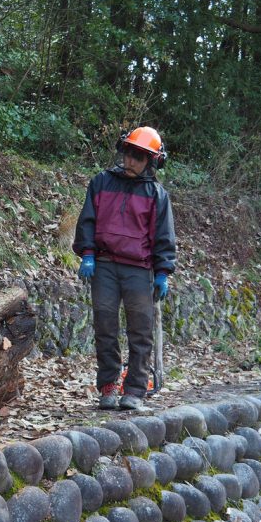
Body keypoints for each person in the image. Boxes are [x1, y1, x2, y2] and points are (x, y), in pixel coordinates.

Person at [72, 126, 176, 410]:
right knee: (105, 328)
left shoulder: (156, 195)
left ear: (151, 161)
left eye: (139, 157)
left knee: (140, 333)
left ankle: (135, 391)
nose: (131, 161)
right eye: (129, 154)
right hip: (104, 265)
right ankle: (107, 386)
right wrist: (88, 254)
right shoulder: (101, 182)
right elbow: (87, 221)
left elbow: (163, 237)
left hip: (139, 270)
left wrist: (163, 272)